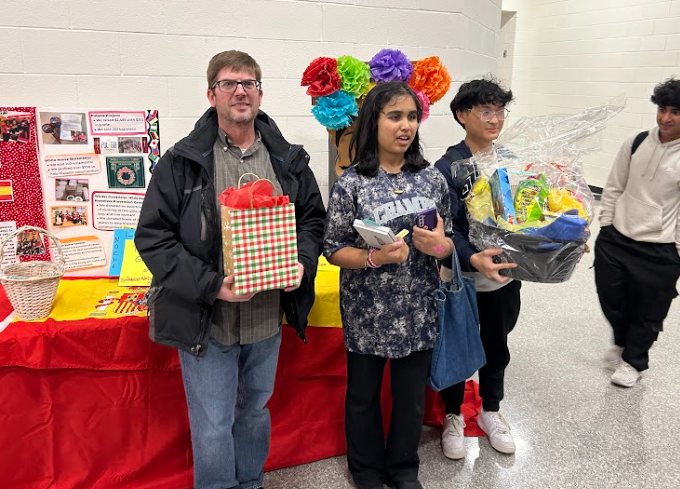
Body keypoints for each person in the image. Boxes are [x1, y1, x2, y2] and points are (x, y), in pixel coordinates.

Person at [134, 50, 326, 489]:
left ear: (260, 93)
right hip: (208, 320)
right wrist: (213, 285)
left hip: (266, 320)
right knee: (214, 425)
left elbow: (314, 220)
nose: (240, 91)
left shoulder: (287, 160)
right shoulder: (182, 162)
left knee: (255, 412)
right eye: (228, 83)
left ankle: (252, 482)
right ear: (211, 94)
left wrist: (303, 262)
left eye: (249, 83)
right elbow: (153, 238)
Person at [323, 82, 454, 489]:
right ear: (373, 122)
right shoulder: (353, 183)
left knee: (410, 398)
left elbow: (447, 238)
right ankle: (365, 470)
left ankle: (403, 468)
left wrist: (441, 246)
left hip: (418, 309)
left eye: (412, 117)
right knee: (363, 397)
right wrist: (374, 257)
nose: (406, 126)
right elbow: (333, 248)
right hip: (367, 310)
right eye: (395, 116)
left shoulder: (431, 179)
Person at [595, 78, 680, 388]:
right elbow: (614, 186)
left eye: (676, 111)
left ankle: (634, 361)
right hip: (617, 236)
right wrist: (606, 224)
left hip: (661, 248)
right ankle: (622, 341)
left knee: (649, 310)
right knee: (611, 299)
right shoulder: (635, 142)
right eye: (662, 109)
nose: (666, 118)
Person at [433, 78, 521, 460]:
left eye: (500, 111)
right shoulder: (448, 166)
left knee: (496, 346)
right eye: (486, 111)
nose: (494, 119)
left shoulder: (511, 161)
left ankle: (491, 411)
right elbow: (447, 226)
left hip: (503, 277)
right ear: (462, 115)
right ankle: (453, 415)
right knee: (456, 347)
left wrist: (558, 237)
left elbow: (526, 217)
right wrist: (471, 258)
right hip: (460, 280)